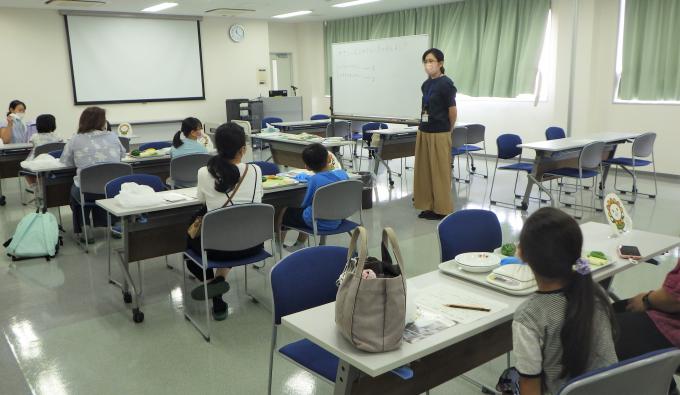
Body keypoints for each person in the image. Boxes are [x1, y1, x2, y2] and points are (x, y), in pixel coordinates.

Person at [511, 207, 617, 395]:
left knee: (508, 380)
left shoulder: (528, 316)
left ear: (522, 255)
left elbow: (529, 384)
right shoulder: (595, 293)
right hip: (609, 389)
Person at [186, 122, 263, 321]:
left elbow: (201, 201)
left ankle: (216, 293)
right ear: (243, 149)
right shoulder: (256, 171)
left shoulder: (204, 172)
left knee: (190, 245)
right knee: (232, 230)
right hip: (253, 244)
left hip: (219, 248)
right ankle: (219, 279)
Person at [613, 260, 680, 393]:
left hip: (672, 330)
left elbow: (673, 299)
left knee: (600, 326)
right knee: (614, 310)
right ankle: (666, 385)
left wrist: (647, 300)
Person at [60, 107, 126, 242]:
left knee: (76, 191)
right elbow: (123, 155)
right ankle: (116, 224)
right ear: (102, 122)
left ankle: (85, 228)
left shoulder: (75, 139)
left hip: (87, 192)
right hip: (113, 190)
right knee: (102, 188)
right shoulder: (113, 136)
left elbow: (65, 162)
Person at [278, 143, 349, 249]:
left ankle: (278, 245)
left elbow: (304, 204)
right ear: (329, 158)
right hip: (337, 219)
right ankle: (299, 243)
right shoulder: (343, 174)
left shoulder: (315, 180)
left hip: (317, 222)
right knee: (309, 211)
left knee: (283, 211)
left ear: (307, 167)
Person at [414, 48, 457, 220]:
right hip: (424, 131)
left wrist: (448, 130)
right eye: (425, 61)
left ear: (440, 63)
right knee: (424, 172)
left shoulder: (446, 84)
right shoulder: (426, 85)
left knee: (439, 172)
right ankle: (427, 205)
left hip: (440, 132)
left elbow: (452, 112)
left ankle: (442, 209)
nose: (428, 64)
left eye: (431, 61)